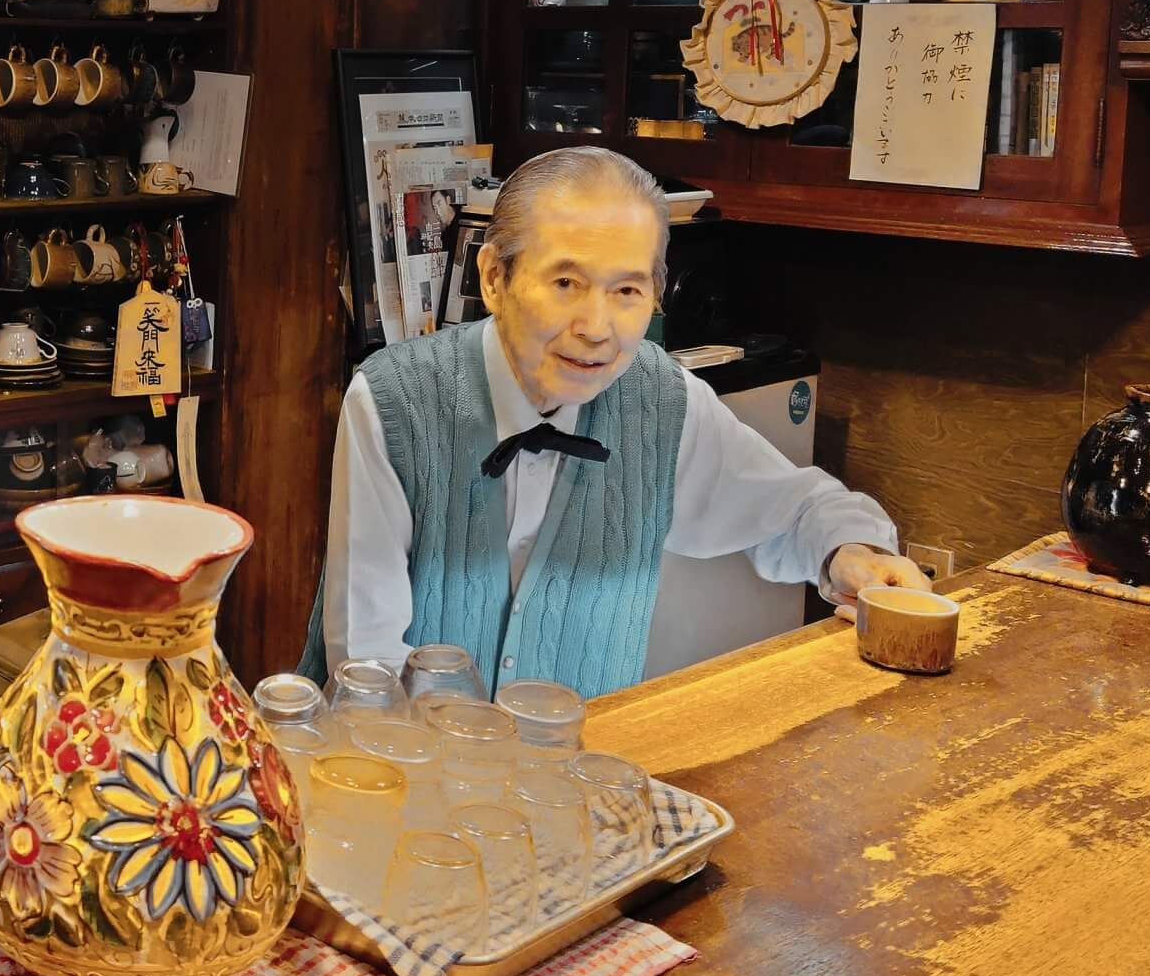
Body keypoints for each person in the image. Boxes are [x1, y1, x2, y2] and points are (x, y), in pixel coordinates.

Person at [300, 147, 929, 700]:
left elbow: (795, 511)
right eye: (566, 282)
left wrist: (852, 552)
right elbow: (367, 670)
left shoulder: (660, 400)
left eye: (627, 292)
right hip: (404, 772)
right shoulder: (394, 401)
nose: (596, 328)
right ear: (494, 277)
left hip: (579, 775)